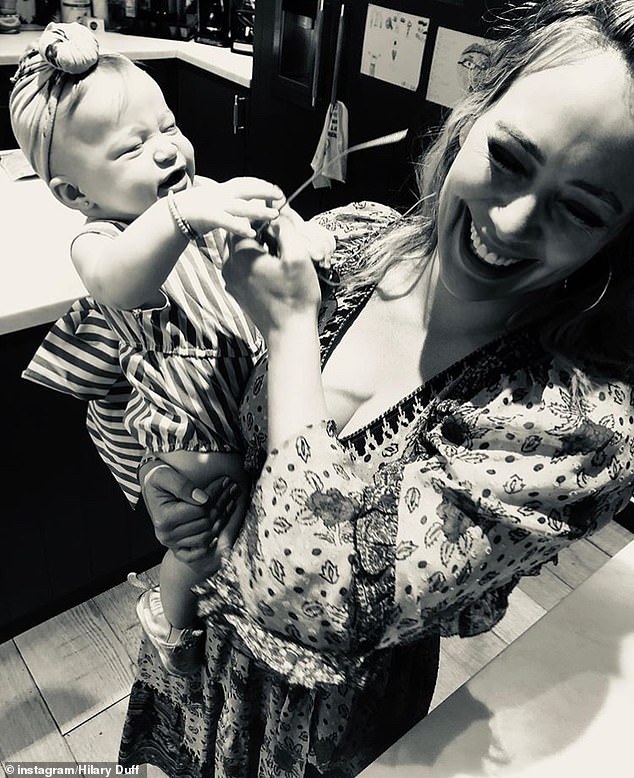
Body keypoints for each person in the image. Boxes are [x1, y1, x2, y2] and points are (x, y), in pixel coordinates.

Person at [18, 0, 634, 775]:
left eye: (579, 209)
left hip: (326, 727)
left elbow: (312, 595)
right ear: (471, 119)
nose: (511, 222)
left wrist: (287, 328)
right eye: (509, 159)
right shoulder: (355, 240)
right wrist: (170, 479)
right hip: (205, 651)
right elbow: (202, 386)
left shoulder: (574, 428)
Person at [8, 22, 309, 677]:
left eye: (168, 126)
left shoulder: (199, 204)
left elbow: (253, 245)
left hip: (234, 387)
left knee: (244, 522)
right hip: (184, 421)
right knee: (202, 542)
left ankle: (229, 607)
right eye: (132, 147)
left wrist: (283, 226)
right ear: (76, 194)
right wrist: (179, 217)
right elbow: (119, 283)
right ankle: (171, 622)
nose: (167, 148)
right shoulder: (101, 241)